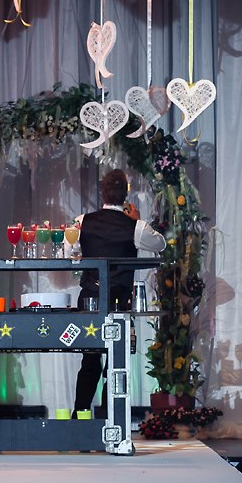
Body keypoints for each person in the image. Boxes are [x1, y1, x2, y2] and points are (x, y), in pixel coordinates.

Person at [72, 169, 165, 417]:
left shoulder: (82, 221)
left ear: (102, 192)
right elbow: (160, 244)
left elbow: (65, 249)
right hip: (119, 301)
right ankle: (109, 417)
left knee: (89, 361)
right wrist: (138, 220)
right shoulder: (135, 226)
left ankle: (79, 417)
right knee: (115, 363)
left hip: (89, 301)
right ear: (126, 194)